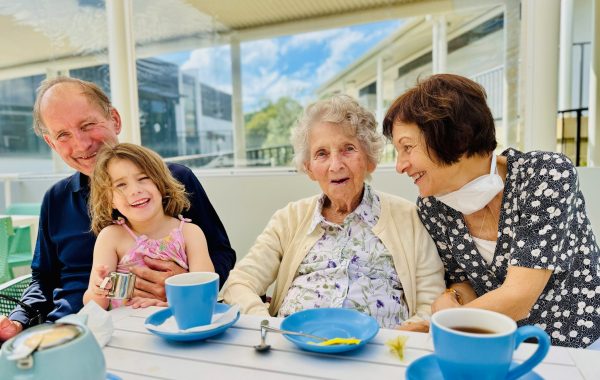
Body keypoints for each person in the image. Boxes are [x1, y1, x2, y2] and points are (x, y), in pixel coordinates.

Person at [0, 77, 235, 341]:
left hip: (165, 323)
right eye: (63, 135)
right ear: (51, 143)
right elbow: (42, 278)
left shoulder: (176, 181)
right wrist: (18, 320)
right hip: (69, 331)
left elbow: (221, 252)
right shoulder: (56, 199)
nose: (80, 144)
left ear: (115, 119)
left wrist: (184, 284)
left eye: (88, 125)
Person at [383, 73, 600, 348]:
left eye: (407, 148)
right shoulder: (432, 206)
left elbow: (519, 297)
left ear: (455, 139)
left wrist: (437, 327)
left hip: (578, 347)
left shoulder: (545, 175)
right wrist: (454, 296)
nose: (400, 165)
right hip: (495, 347)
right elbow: (464, 280)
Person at [222, 95, 445, 330]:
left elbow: (431, 302)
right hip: (294, 348)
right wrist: (269, 326)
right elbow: (239, 284)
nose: (335, 165)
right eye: (322, 154)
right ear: (308, 168)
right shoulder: (288, 219)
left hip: (377, 354)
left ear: (370, 159)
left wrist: (399, 340)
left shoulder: (409, 217)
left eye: (348, 149)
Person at [83, 143, 214, 309]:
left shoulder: (190, 233)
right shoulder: (111, 237)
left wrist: (169, 304)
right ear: (110, 200)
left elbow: (206, 293)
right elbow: (95, 306)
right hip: (127, 329)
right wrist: (98, 290)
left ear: (161, 183)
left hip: (176, 323)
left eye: (143, 178)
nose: (135, 190)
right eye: (121, 185)